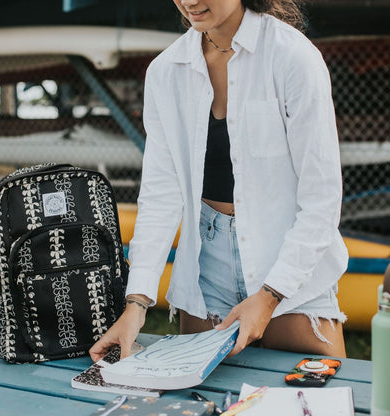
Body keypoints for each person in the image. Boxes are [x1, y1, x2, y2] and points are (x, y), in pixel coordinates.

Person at [90, 0, 349, 362]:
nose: (190, 1)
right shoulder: (166, 71)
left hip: (289, 264)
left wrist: (271, 293)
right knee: (205, 402)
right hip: (204, 268)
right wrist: (137, 303)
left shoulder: (293, 57)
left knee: (315, 395)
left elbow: (322, 197)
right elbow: (161, 195)